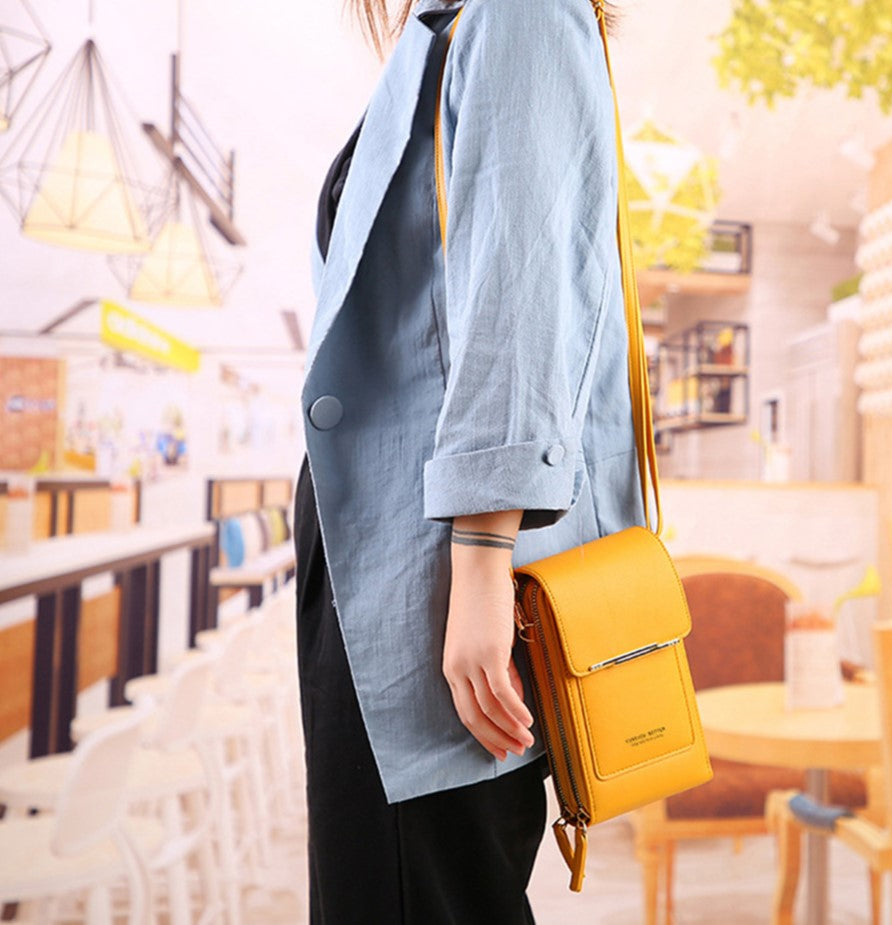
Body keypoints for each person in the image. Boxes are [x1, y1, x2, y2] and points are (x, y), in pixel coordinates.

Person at [294, 0, 643, 920]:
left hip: (434, 556)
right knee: (396, 885)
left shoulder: (518, 10)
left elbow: (521, 290)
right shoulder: (451, 26)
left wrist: (484, 555)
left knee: (422, 891)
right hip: (383, 543)